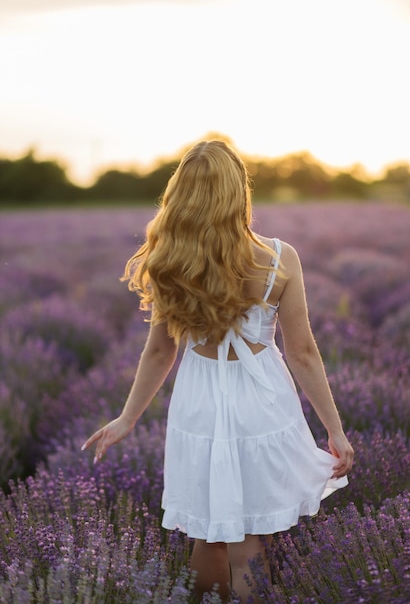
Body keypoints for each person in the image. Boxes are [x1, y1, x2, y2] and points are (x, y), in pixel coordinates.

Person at [82, 140, 354, 603]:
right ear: (238, 193)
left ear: (182, 195)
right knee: (250, 534)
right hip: (262, 400)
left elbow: (158, 353)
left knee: (207, 533)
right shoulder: (279, 258)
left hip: (199, 400)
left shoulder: (172, 261)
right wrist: (334, 429)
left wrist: (127, 419)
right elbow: (303, 351)